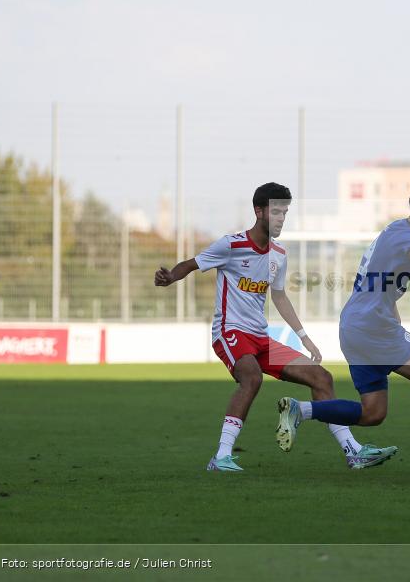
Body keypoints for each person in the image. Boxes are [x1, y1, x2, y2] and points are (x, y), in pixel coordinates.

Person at [155, 182, 394, 472]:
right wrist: (171, 277)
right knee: (252, 378)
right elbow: (192, 264)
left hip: (260, 338)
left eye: (285, 212)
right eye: (277, 211)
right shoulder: (231, 244)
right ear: (259, 211)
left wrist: (304, 338)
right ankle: (221, 457)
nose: (282, 218)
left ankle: (352, 450)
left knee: (322, 378)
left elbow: (279, 296)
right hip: (230, 331)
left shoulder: (278, 254)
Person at [277, 181, 410, 477]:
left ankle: (302, 410)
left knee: (373, 412)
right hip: (374, 327)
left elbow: (381, 287)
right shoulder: (405, 236)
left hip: (354, 326)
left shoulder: (391, 232)